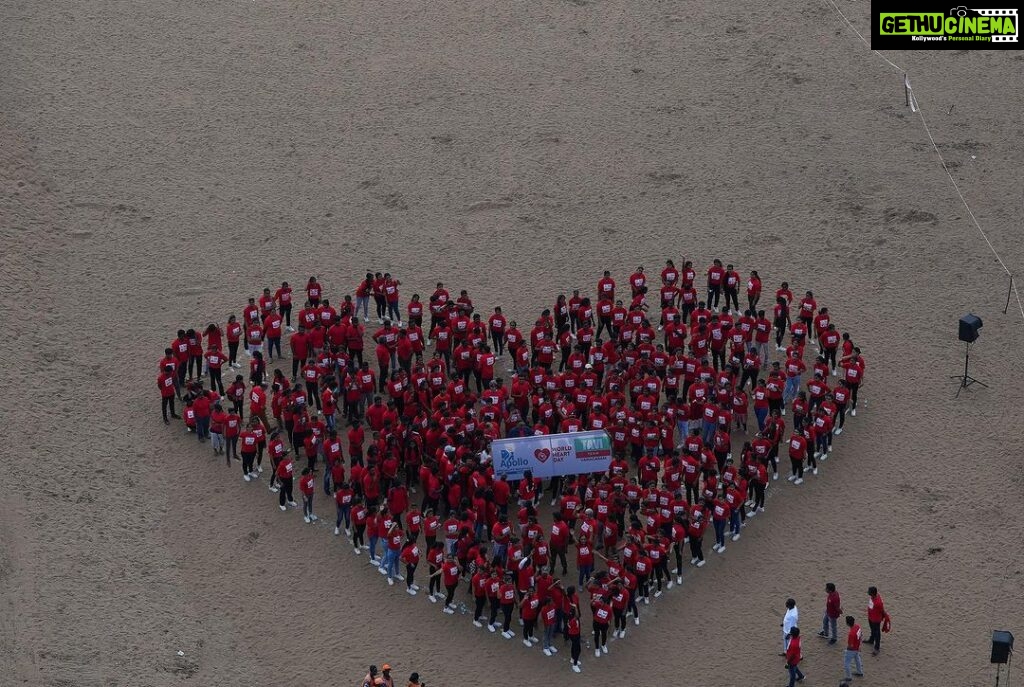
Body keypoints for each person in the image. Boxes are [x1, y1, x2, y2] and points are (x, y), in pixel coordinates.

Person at [843, 615, 865, 681]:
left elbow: (850, 645)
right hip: (857, 647)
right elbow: (861, 635)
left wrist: (847, 650)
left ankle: (849, 677)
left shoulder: (851, 634)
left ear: (847, 623)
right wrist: (859, 646)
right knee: (857, 660)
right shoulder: (857, 626)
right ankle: (860, 672)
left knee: (846, 663)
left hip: (852, 650)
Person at [865, 586, 886, 655]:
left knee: (877, 634)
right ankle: (871, 640)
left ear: (872, 593)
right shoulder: (873, 597)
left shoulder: (878, 602)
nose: (868, 592)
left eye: (869, 592)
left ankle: (877, 648)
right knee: (872, 630)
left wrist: (884, 617)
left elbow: (882, 611)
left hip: (876, 620)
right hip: (871, 617)